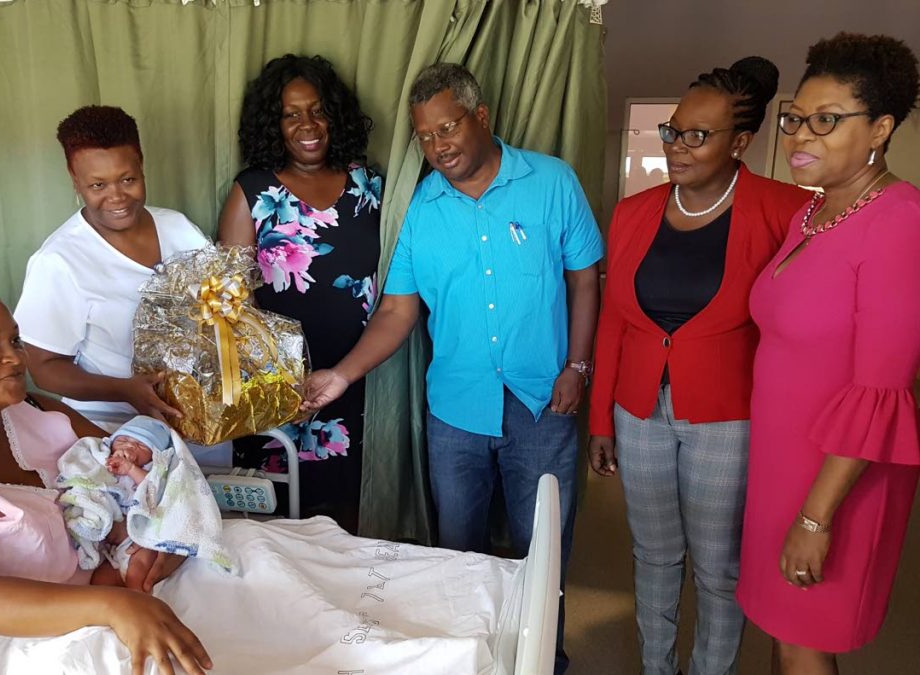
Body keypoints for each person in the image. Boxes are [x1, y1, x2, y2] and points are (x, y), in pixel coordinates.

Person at [300, 62, 603, 675]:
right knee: (456, 555)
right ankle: (470, 660)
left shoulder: (550, 181)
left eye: (449, 127)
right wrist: (341, 375)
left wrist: (577, 363)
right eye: (425, 136)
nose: (439, 146)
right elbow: (395, 310)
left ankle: (547, 659)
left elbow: (585, 277)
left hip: (544, 402)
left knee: (543, 551)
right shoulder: (422, 210)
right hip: (456, 413)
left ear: (481, 117)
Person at [587, 57, 810, 675]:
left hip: (727, 415)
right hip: (639, 411)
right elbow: (614, 320)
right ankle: (658, 668)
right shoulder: (634, 212)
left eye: (697, 135)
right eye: (672, 130)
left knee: (718, 566)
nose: (677, 147)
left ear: (740, 142)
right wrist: (601, 417)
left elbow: (801, 326)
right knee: (653, 555)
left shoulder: (784, 212)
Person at [0, 270, 211, 674]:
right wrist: (117, 605)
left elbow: (148, 481)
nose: (15, 357)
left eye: (15, 340)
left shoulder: (39, 412)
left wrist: (163, 543)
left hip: (111, 593)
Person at [737, 33, 920, 675]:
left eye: (826, 121)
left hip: (837, 475)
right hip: (782, 455)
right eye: (794, 120)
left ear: (880, 129)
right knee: (784, 626)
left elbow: (882, 389)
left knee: (806, 634)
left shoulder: (900, 222)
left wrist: (815, 519)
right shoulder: (813, 214)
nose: (800, 137)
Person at [218, 54, 380, 531]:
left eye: (317, 110)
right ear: (274, 123)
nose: (307, 125)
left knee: (349, 516)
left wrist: (347, 374)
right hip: (281, 389)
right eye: (291, 114)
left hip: (356, 379)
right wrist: (276, 381)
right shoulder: (253, 190)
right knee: (283, 523)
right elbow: (232, 301)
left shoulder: (367, 185)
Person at [14, 106, 210, 430]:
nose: (117, 197)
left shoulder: (178, 227)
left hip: (201, 421)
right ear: (75, 180)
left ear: (142, 164)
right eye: (98, 186)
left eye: (127, 179)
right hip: (115, 435)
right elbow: (44, 368)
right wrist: (125, 391)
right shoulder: (60, 261)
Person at [57, 414, 234, 591]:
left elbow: (152, 489)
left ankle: (138, 597)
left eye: (141, 445)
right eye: (123, 439)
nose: (129, 445)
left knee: (137, 572)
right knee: (100, 579)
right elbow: (91, 480)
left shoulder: (153, 472)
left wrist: (131, 469)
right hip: (110, 547)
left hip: (139, 540)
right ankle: (113, 607)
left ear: (153, 457)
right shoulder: (103, 460)